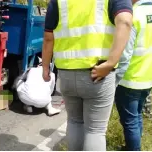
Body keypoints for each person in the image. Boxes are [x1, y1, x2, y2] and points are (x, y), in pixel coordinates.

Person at [41, 0, 133, 150]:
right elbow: (125, 22)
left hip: (66, 74)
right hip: (98, 74)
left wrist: (45, 68)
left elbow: (48, 37)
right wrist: (111, 62)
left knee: (74, 122)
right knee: (95, 130)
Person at [115, 0, 152, 150]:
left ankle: (133, 149)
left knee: (130, 120)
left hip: (130, 78)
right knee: (137, 114)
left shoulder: (133, 15)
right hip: (149, 76)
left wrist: (115, 77)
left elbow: (125, 53)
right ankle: (133, 146)